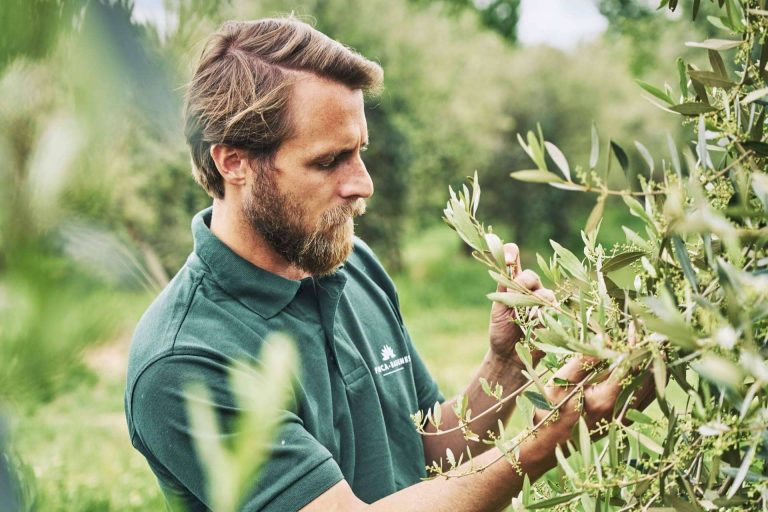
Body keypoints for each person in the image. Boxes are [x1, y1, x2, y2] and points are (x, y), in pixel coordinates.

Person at [125, 17, 653, 512]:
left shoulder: (349, 263)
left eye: (359, 152)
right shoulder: (183, 362)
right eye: (329, 160)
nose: (362, 184)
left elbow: (427, 450)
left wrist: (506, 363)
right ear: (234, 161)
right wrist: (549, 438)